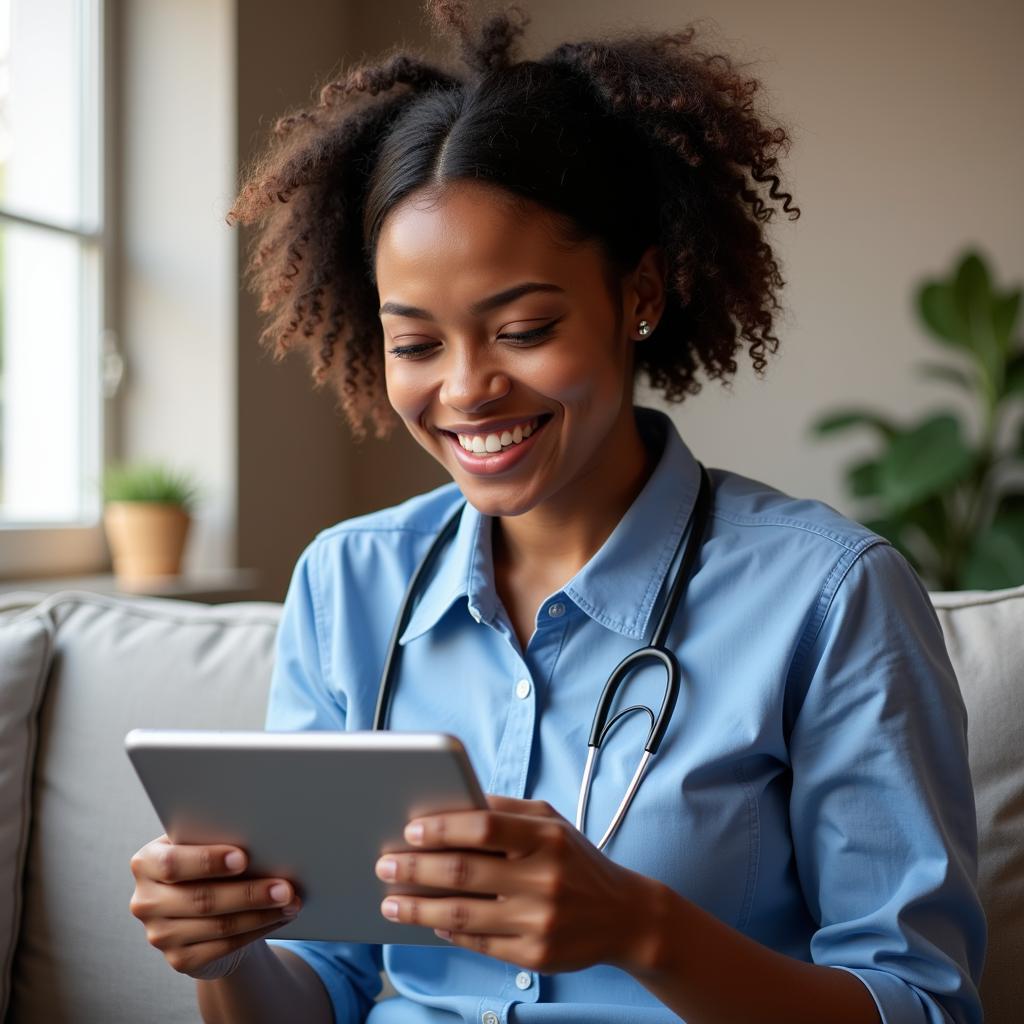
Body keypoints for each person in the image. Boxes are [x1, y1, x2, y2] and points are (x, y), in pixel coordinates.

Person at [128, 3, 986, 1021]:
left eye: (524, 327)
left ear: (641, 294)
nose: (466, 389)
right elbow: (332, 987)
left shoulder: (828, 595)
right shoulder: (348, 583)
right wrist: (223, 956)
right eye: (415, 345)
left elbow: (921, 1005)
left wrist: (639, 928)